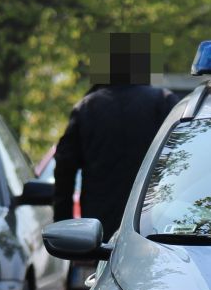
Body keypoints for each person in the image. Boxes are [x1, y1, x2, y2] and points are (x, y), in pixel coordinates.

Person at [53, 32, 180, 228]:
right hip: (154, 228)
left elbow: (64, 170)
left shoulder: (87, 107)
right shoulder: (163, 102)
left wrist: (64, 228)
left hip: (97, 234)